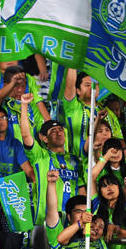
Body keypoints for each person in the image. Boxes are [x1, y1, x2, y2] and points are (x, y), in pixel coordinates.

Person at [20, 93, 84, 224]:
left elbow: (81, 188)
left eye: (60, 130)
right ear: (45, 138)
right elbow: (26, 135)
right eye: (53, 131)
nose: (58, 133)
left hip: (72, 221)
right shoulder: (40, 155)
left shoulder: (74, 160)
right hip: (45, 220)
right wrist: (24, 105)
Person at [62, 69, 124, 159]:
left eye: (96, 85)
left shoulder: (108, 112)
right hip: (80, 163)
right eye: (87, 85)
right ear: (78, 90)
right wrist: (73, 64)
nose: (92, 88)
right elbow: (69, 86)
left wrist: (124, 149)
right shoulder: (73, 107)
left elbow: (118, 138)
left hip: (106, 162)